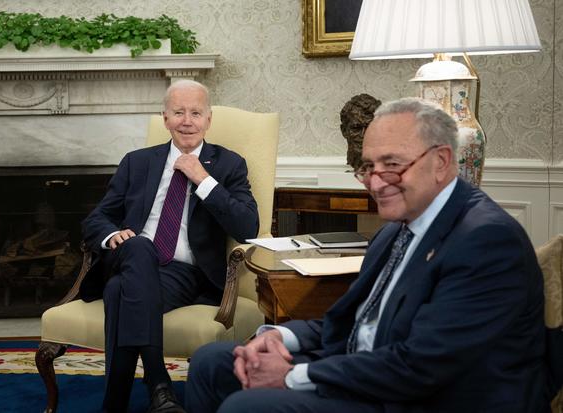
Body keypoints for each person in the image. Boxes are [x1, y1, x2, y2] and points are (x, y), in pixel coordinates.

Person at [185, 97, 551, 413]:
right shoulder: (397, 228)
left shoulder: (486, 240)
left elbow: (422, 366)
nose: (375, 182)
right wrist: (280, 338)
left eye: (392, 165)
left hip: (424, 397)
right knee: (213, 362)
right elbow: (356, 322)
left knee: (247, 407)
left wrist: (293, 376)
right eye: (367, 167)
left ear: (441, 162)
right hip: (372, 371)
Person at [80, 79, 259, 413]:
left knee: (120, 291)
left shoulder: (228, 164)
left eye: (195, 113)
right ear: (165, 118)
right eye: (178, 112)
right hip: (130, 255)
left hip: (185, 273)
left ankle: (115, 402)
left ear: (208, 119)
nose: (186, 120)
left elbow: (248, 228)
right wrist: (111, 236)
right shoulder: (137, 161)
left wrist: (203, 181)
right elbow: (98, 218)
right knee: (138, 247)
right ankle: (159, 384)